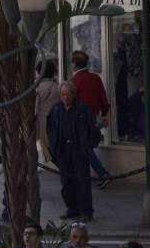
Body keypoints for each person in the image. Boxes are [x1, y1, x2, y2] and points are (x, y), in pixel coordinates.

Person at [47, 81, 99, 222]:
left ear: (73, 95)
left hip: (78, 150)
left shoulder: (82, 109)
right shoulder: (56, 110)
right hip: (63, 151)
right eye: (62, 95)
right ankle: (72, 208)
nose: (65, 98)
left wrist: (87, 146)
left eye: (67, 95)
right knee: (66, 182)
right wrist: (53, 146)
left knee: (82, 182)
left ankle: (86, 211)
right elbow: (50, 127)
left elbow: (92, 129)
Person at [69, 50, 112, 186]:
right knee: (84, 148)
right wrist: (104, 114)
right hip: (93, 117)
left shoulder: (73, 81)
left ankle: (102, 174)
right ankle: (90, 175)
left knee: (84, 148)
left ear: (74, 65)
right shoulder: (95, 78)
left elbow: (70, 102)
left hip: (79, 120)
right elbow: (103, 97)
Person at [35, 60, 60, 164]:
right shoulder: (57, 85)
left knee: (46, 148)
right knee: (53, 146)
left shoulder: (37, 88)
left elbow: (34, 110)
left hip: (41, 122)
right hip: (56, 120)